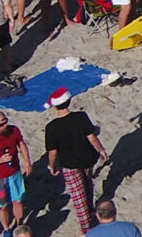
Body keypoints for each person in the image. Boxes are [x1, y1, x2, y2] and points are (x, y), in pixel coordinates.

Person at [42, 87, 104, 221]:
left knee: (79, 198)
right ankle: (91, 209)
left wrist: (51, 166)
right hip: (88, 157)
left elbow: (52, 153)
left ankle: (86, 228)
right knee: (88, 184)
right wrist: (102, 150)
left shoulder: (51, 127)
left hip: (70, 164)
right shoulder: (81, 117)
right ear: (69, 101)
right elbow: (92, 138)